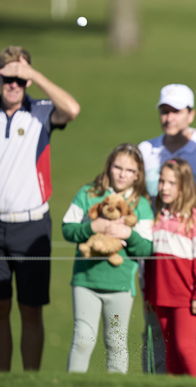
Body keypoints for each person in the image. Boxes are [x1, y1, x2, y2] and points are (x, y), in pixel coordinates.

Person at [0, 46, 80, 372]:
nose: (13, 84)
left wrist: (36, 76)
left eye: (20, 78)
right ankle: (2, 378)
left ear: (27, 81)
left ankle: (30, 379)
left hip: (31, 225)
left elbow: (72, 109)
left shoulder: (41, 112)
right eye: (8, 77)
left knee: (30, 309)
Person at [138, 84, 196, 375]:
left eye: (176, 111)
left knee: (192, 337)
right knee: (159, 335)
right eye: (164, 111)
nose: (169, 117)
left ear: (191, 114)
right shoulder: (146, 150)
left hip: (193, 254)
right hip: (159, 250)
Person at [63, 143, 153, 373]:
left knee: (115, 342)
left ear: (138, 175)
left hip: (120, 286)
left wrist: (128, 234)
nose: (122, 174)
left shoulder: (141, 205)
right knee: (82, 338)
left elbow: (146, 249)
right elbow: (67, 229)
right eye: (117, 167)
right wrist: (92, 227)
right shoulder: (88, 194)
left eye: (129, 170)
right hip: (86, 281)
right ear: (109, 167)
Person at [144, 158, 196, 379]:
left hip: (186, 297)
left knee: (185, 347)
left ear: (183, 186)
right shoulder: (158, 216)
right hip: (161, 295)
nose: (164, 187)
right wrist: (148, 294)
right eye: (162, 181)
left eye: (171, 183)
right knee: (171, 351)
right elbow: (150, 261)